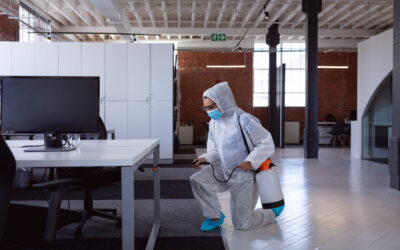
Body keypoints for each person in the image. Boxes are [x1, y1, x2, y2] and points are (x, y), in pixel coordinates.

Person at [190, 81, 284, 232]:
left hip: (245, 176)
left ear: (223, 101)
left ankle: (270, 214)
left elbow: (266, 143)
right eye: (206, 108)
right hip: (224, 170)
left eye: (212, 107)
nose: (209, 111)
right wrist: (204, 158)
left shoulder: (244, 119)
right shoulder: (214, 123)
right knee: (198, 179)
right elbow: (214, 151)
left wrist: (250, 161)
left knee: (242, 224)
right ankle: (214, 216)